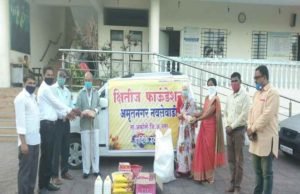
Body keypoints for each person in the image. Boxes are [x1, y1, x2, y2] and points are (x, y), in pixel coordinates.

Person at [37, 66, 75, 192]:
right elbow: (57, 104)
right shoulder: (49, 89)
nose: (50, 77)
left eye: (51, 75)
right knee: (50, 154)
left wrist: (69, 112)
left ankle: (48, 182)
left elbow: (67, 104)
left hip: (61, 122)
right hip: (52, 124)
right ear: (43, 76)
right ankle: (47, 181)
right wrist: (71, 112)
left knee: (62, 149)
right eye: (48, 75)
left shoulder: (67, 91)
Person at [247, 65, 279, 194]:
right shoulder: (257, 93)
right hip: (255, 138)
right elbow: (251, 112)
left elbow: (267, 115)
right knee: (257, 172)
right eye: (254, 78)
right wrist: (249, 127)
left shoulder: (273, 93)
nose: (255, 80)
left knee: (267, 174)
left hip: (266, 139)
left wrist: (253, 128)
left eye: (257, 77)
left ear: (264, 77)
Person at [191, 78, 226, 183]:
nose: (209, 87)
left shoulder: (216, 99)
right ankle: (201, 175)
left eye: (211, 85)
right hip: (204, 127)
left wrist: (197, 119)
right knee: (201, 151)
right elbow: (203, 111)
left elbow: (208, 113)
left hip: (211, 129)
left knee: (209, 153)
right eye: (208, 85)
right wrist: (194, 114)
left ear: (215, 86)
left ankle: (209, 176)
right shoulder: (207, 98)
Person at [224, 72, 251, 194]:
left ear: (240, 81)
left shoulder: (245, 96)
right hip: (229, 131)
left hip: (238, 131)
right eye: (232, 81)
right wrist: (227, 125)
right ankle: (232, 184)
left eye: (236, 81)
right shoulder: (230, 97)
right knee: (231, 160)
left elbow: (244, 115)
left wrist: (232, 126)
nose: (233, 83)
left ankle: (237, 187)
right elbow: (225, 113)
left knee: (239, 160)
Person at [14, 75, 40, 194]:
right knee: (25, 172)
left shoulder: (33, 97)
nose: (32, 85)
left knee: (33, 171)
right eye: (29, 83)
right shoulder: (20, 99)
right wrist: (23, 143)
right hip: (26, 142)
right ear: (24, 83)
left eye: (34, 83)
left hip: (35, 141)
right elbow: (20, 122)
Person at [51, 69, 74, 185]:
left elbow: (70, 105)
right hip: (57, 122)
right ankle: (54, 175)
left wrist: (70, 114)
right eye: (60, 76)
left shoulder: (67, 91)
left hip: (66, 123)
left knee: (65, 148)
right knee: (56, 149)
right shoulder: (52, 90)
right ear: (57, 76)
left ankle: (65, 171)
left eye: (64, 77)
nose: (62, 78)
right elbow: (54, 107)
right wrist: (64, 114)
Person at [76, 71, 101, 179]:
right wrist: (83, 112)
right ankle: (86, 170)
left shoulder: (96, 92)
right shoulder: (80, 93)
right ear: (84, 81)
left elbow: (99, 106)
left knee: (95, 147)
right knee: (86, 148)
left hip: (95, 124)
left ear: (92, 81)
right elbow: (77, 108)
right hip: (85, 124)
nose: (88, 82)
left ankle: (96, 170)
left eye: (89, 80)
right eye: (86, 80)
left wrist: (94, 111)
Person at [175, 85, 196, 177]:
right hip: (182, 127)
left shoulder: (191, 101)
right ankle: (181, 169)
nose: (184, 92)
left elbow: (193, 114)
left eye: (186, 90)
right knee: (181, 147)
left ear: (188, 91)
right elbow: (177, 112)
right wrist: (180, 115)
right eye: (183, 90)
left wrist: (184, 115)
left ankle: (189, 170)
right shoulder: (179, 99)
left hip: (189, 128)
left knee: (189, 148)